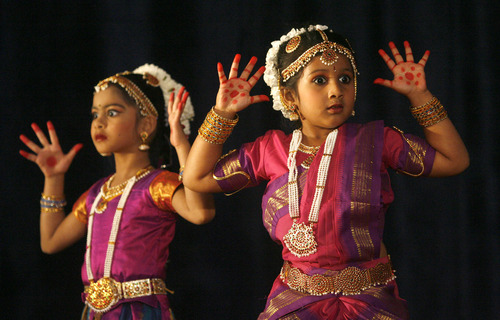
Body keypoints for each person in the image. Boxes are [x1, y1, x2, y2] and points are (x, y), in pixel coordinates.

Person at [183, 24, 469, 319]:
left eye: (345, 79)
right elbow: (197, 178)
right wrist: (223, 114)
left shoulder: (377, 141)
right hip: (295, 303)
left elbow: (454, 160)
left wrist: (419, 96)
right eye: (319, 80)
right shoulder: (269, 150)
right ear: (290, 97)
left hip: (370, 302)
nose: (336, 90)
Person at [19, 64, 215, 320]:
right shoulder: (97, 193)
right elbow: (51, 241)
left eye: (112, 112)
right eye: (94, 114)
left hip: (139, 312)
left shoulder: (157, 185)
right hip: (95, 313)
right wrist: (54, 179)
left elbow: (201, 212)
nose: (98, 122)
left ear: (146, 123)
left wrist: (181, 145)